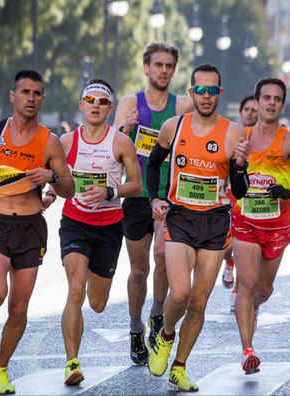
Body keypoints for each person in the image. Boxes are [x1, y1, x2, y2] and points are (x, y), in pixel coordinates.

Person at [0, 70, 75, 395]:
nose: (31, 98)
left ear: (42, 99)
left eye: (37, 93)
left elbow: (69, 187)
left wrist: (51, 174)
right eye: (25, 92)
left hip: (30, 228)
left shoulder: (49, 141)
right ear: (13, 96)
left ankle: (1, 368)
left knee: (20, 309)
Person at [146, 64, 251, 391]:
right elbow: (152, 164)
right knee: (179, 292)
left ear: (220, 94)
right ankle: (165, 334)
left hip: (216, 222)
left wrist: (240, 165)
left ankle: (179, 366)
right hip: (180, 218)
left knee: (199, 303)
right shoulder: (172, 127)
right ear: (191, 93)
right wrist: (154, 199)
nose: (206, 96)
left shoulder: (233, 132)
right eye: (200, 90)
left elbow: (240, 189)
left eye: (212, 90)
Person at [51, 79, 142, 386]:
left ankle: (93, 271)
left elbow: (137, 185)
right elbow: (59, 180)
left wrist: (110, 191)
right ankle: (72, 362)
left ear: (109, 109)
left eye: (102, 101)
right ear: (81, 105)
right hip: (75, 222)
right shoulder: (66, 142)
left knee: (97, 303)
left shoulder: (120, 142)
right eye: (90, 99)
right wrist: (50, 194)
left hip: (108, 227)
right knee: (75, 289)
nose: (95, 105)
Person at [113, 42, 194, 365]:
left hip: (169, 195)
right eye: (158, 65)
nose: (163, 71)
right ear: (146, 68)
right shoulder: (130, 102)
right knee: (138, 269)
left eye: (169, 66)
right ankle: (136, 328)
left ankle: (158, 313)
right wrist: (126, 128)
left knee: (163, 254)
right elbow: (114, 145)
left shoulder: (184, 106)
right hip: (136, 195)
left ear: (174, 70)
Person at [232, 78, 290, 374]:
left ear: (283, 106)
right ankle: (247, 350)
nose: (271, 102)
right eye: (265, 97)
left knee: (264, 288)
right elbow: (224, 175)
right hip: (244, 222)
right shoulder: (239, 137)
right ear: (255, 103)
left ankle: (254, 308)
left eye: (276, 98)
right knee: (246, 284)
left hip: (277, 225)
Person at [223, 95, 260, 311]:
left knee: (244, 249)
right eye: (245, 109)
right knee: (228, 246)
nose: (249, 113)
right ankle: (228, 263)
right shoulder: (232, 135)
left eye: (253, 110)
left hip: (254, 200)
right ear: (240, 112)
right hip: (231, 196)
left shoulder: (263, 139)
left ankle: (238, 291)